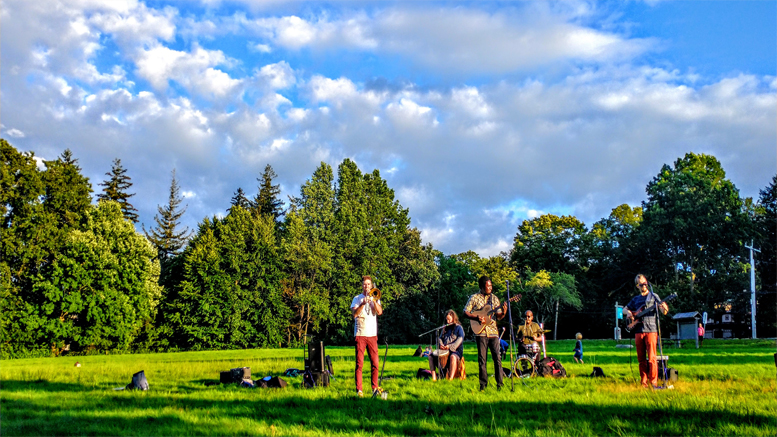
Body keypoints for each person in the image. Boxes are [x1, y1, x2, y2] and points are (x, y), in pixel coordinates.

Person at [622, 274, 669, 388]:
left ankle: (653, 382)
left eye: (644, 282)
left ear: (646, 282)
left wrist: (663, 307)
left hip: (651, 330)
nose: (642, 285)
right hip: (638, 330)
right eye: (640, 283)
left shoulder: (653, 296)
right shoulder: (636, 299)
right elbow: (624, 309)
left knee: (652, 358)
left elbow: (665, 311)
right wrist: (628, 313)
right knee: (641, 359)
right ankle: (643, 383)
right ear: (637, 286)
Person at [463, 275, 506, 391]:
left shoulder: (495, 299)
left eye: (491, 285)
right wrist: (477, 318)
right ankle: (483, 385)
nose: (490, 288)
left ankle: (500, 384)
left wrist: (504, 312)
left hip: (493, 332)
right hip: (481, 332)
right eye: (488, 286)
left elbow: (499, 316)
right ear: (482, 287)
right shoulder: (474, 298)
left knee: (497, 358)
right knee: (482, 360)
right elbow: (465, 312)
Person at [350, 275, 383, 397]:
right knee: (360, 364)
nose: (367, 286)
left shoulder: (375, 296)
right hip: (360, 334)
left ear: (371, 285)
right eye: (365, 284)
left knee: (375, 363)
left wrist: (374, 300)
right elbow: (354, 314)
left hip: (372, 335)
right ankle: (359, 390)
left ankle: (374, 388)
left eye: (369, 284)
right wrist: (363, 303)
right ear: (362, 285)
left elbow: (379, 312)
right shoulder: (357, 298)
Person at [428, 310, 465, 381]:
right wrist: (441, 344)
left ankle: (450, 379)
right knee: (430, 357)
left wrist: (450, 347)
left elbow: (460, 338)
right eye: (446, 319)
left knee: (452, 357)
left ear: (453, 318)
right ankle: (434, 378)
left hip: (456, 350)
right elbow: (440, 338)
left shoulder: (459, 327)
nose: (448, 321)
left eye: (449, 319)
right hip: (444, 349)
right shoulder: (444, 328)